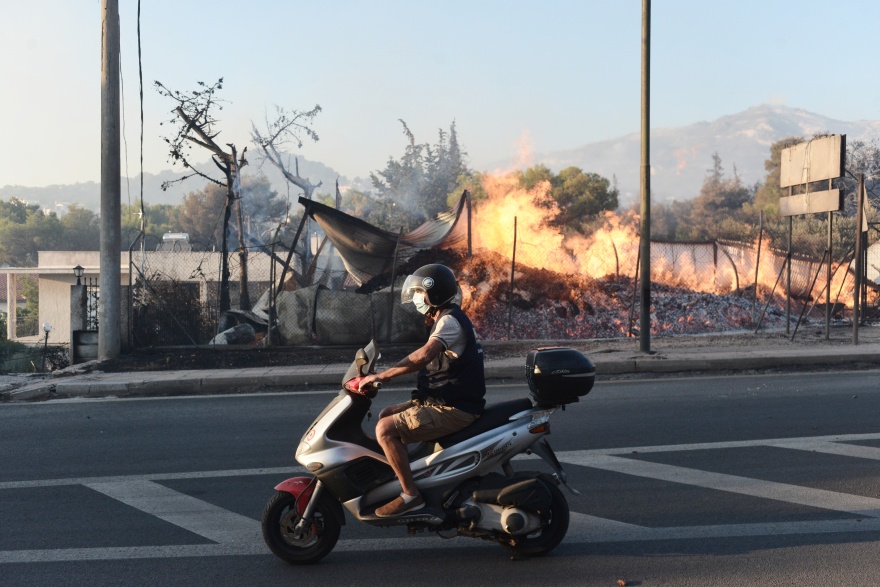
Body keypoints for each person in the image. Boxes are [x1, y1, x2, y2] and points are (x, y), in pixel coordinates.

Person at [358, 263, 486, 517]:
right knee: (385, 415)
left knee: (384, 429)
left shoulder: (449, 321)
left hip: (454, 407)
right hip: (441, 399)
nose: (416, 297)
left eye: (420, 292)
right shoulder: (443, 318)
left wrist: (383, 375)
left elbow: (423, 356)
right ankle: (406, 474)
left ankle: (410, 495)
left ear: (434, 294)